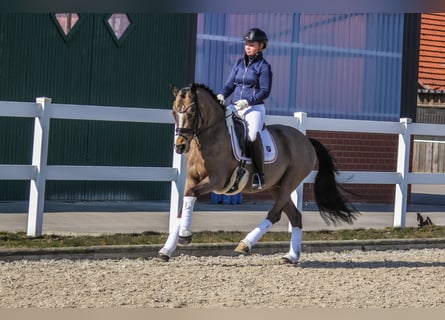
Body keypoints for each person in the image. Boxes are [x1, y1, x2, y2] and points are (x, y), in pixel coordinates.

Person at [217, 27, 272, 190]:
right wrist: (222, 94)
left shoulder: (264, 67)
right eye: (246, 43)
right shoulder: (239, 63)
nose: (248, 46)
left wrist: (248, 102)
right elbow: (230, 84)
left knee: (253, 137)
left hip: (254, 108)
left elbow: (265, 91)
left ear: (261, 46)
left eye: (252, 44)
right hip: (234, 105)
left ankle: (258, 174)